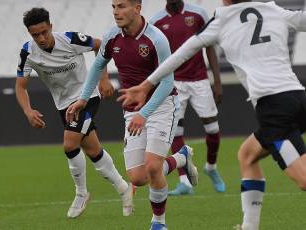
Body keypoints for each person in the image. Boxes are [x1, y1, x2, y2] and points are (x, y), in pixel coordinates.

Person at [117, 1, 306, 229]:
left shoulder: (222, 19)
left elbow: (183, 53)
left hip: (275, 109)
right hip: (298, 96)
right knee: (247, 155)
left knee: (303, 179)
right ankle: (249, 226)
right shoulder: (273, 9)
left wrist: (146, 85)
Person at [66, 0, 198, 229]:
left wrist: (144, 113)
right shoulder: (112, 36)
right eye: (114, 6)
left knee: (153, 166)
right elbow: (98, 65)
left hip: (162, 105)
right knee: (138, 177)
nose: (116, 12)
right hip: (132, 111)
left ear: (137, 8)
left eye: (122, 6)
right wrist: (83, 99)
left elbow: (167, 82)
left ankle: (158, 223)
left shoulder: (156, 39)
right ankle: (181, 158)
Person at [15, 7, 134, 219]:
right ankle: (124, 189)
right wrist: (27, 110)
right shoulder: (28, 52)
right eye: (35, 35)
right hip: (63, 106)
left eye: (44, 32)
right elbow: (20, 86)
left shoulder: (70, 39)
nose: (41, 38)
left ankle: (81, 193)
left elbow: (101, 46)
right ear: (29, 34)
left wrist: (104, 78)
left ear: (51, 26)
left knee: (70, 145)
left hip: (86, 97)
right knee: (93, 151)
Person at [149, 0, 225, 195]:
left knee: (213, 129)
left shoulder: (198, 13)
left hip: (199, 80)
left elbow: (209, 46)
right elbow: (154, 56)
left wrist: (216, 80)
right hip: (173, 83)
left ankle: (212, 167)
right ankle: (185, 182)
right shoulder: (156, 21)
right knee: (175, 131)